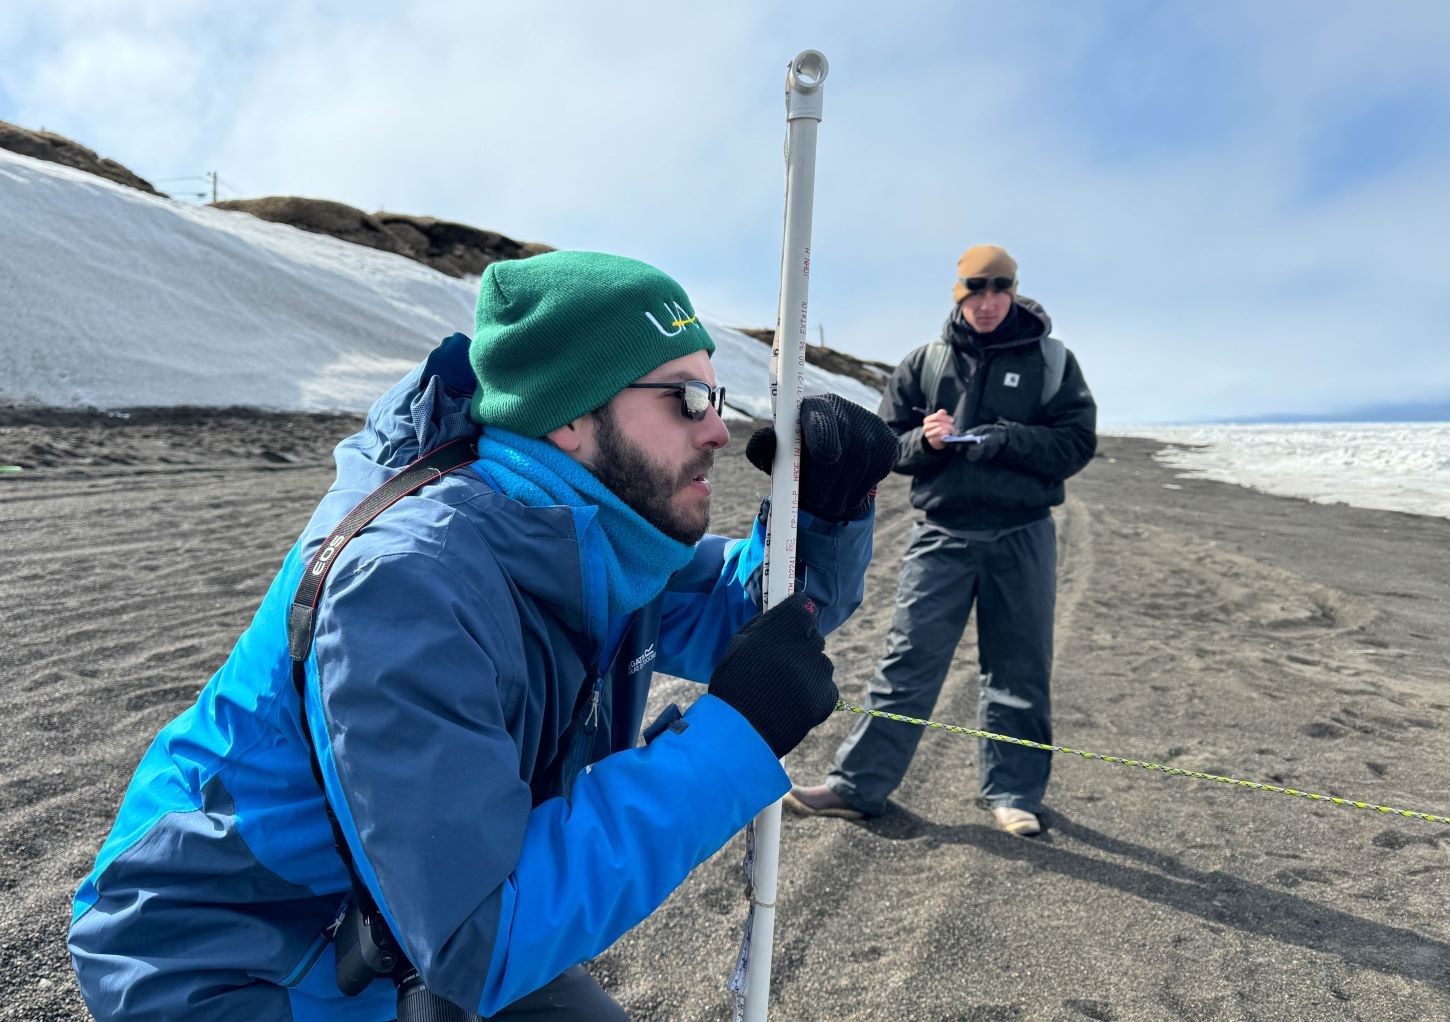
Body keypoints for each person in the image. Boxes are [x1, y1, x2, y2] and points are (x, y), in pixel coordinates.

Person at [68, 251, 899, 1020]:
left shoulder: (606, 537)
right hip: (233, 957)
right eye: (684, 399)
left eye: (715, 399)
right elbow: (481, 936)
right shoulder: (408, 585)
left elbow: (753, 624)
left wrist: (826, 512)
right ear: (569, 417)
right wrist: (730, 740)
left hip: (416, 917)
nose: (718, 431)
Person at [784, 244, 1097, 837]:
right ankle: (858, 787)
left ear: (1013, 290)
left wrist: (1006, 440)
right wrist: (921, 443)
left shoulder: (1052, 362)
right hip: (942, 535)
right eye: (975, 289)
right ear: (959, 293)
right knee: (907, 663)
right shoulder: (926, 362)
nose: (987, 301)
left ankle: (1014, 794)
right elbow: (884, 447)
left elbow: (1077, 444)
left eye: (998, 288)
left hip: (1023, 535)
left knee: (1019, 670)